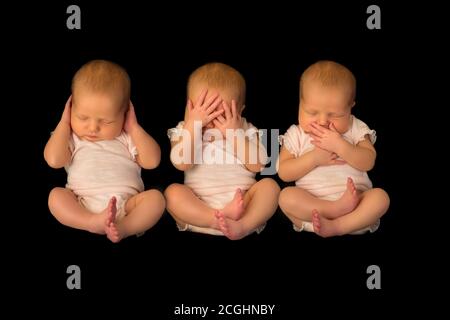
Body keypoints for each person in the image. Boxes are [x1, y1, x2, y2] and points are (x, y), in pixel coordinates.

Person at [44, 59, 165, 243]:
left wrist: (133, 128)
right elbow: (54, 160)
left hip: (128, 205)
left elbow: (152, 161)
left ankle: (124, 228)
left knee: (156, 199)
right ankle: (91, 221)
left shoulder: (126, 137)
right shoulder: (70, 137)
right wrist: (63, 124)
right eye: (82, 117)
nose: (92, 128)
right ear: (70, 110)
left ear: (124, 115)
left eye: (106, 121)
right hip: (81, 202)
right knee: (55, 197)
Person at [165, 62, 280, 240]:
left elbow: (259, 165)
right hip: (198, 207)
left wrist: (235, 134)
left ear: (239, 112)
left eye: (221, 114)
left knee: (270, 187)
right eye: (203, 110)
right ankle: (214, 218)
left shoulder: (247, 129)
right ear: (189, 108)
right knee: (172, 193)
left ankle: (242, 226)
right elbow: (181, 163)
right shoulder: (184, 130)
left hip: (244, 205)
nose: (209, 120)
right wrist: (194, 125)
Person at [278, 60, 389, 237]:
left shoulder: (355, 128)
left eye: (335, 115)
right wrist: (314, 158)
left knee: (381, 198)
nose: (322, 121)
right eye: (312, 112)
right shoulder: (296, 134)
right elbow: (284, 172)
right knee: (285, 197)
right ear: (300, 103)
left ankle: (338, 226)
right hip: (313, 206)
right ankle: (333, 211)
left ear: (350, 108)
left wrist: (340, 145)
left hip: (356, 206)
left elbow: (369, 161)